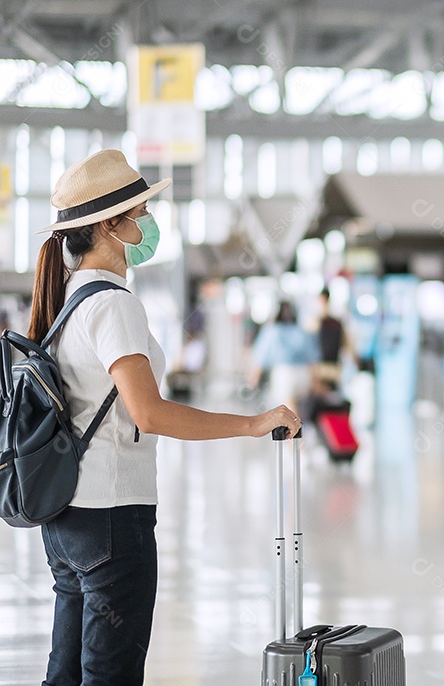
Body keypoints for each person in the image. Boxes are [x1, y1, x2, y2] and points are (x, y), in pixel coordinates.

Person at [29, 149, 301, 686]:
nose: (148, 223)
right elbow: (149, 413)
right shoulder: (113, 305)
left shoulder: (68, 306)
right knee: (111, 673)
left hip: (66, 514)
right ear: (111, 224)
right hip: (111, 512)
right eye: (140, 213)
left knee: (65, 672)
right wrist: (250, 423)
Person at [249, 301, 319, 414]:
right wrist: (316, 380)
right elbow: (313, 357)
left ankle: (296, 431)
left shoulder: (272, 331)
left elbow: (260, 356)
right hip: (304, 373)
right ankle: (299, 429)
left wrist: (253, 378)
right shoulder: (302, 331)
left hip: (284, 374)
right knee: (298, 408)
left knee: (288, 409)